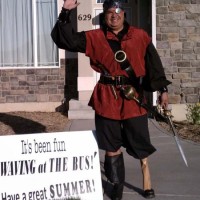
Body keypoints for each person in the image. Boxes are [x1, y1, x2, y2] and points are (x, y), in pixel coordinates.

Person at [51, 0, 171, 199]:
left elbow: (154, 65)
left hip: (133, 97)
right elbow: (66, 40)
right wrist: (65, 11)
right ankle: (116, 184)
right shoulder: (94, 37)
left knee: (139, 141)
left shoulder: (140, 36)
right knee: (111, 144)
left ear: (124, 13)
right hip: (107, 98)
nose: (113, 15)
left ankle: (146, 179)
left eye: (117, 11)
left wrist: (163, 90)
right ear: (104, 15)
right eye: (109, 12)